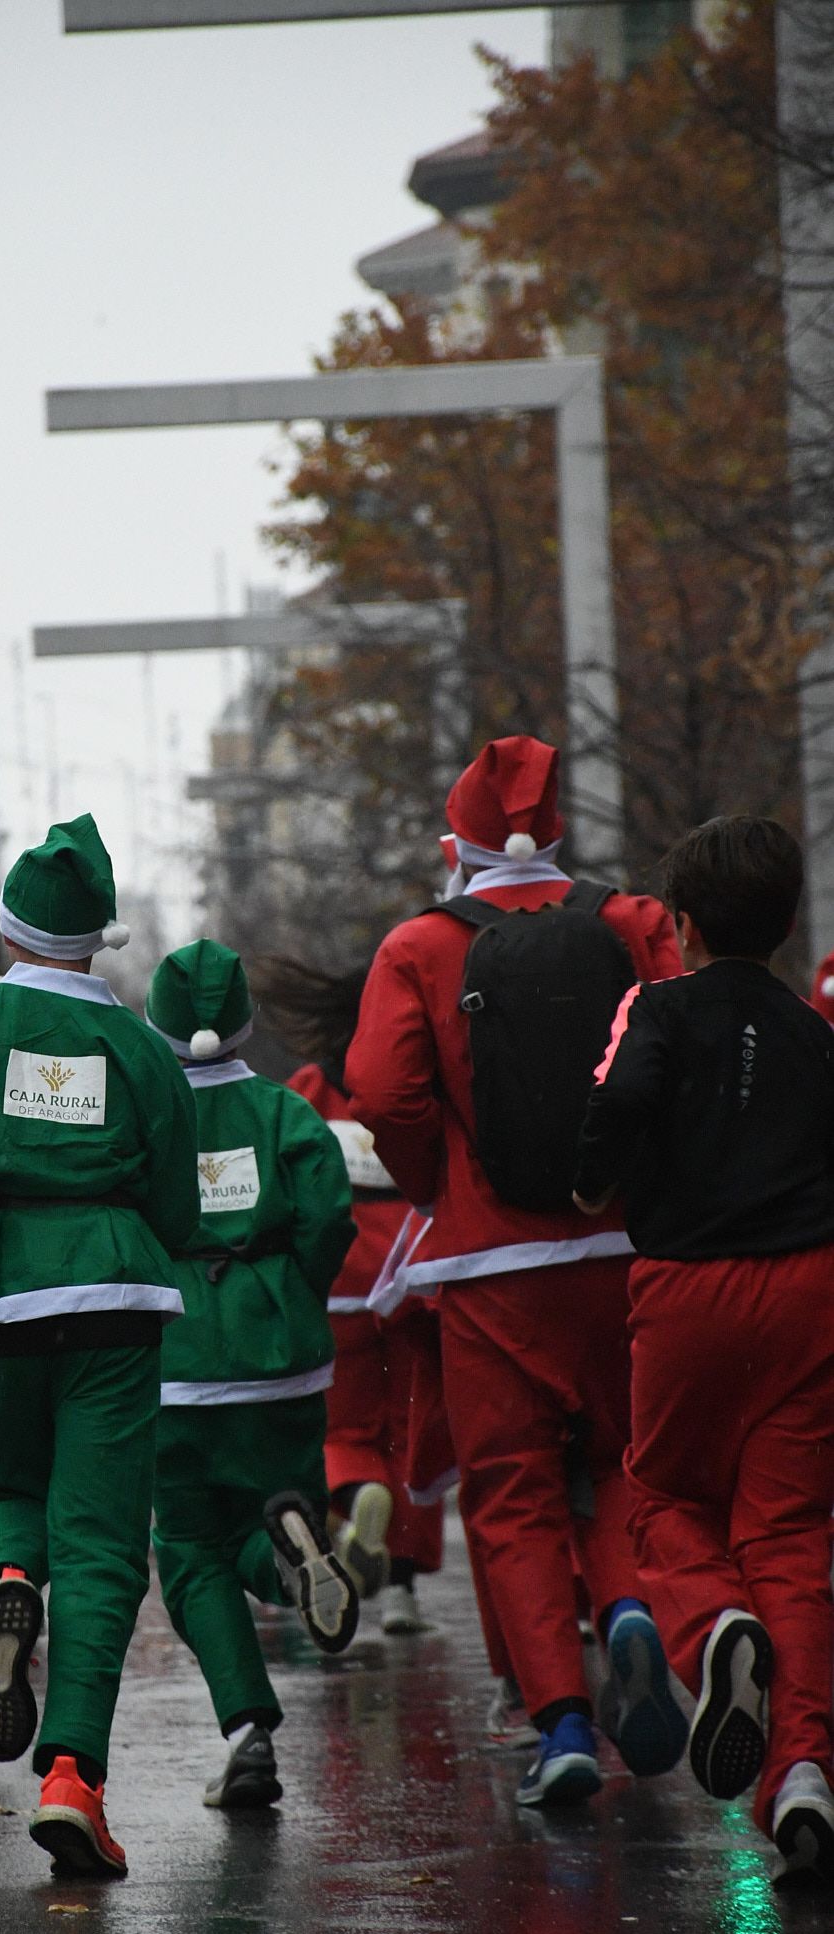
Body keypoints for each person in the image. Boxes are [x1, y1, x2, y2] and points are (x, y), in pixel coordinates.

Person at [346, 734, 687, 1808]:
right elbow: (679, 1054)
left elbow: (384, 1092)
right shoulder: (631, 921)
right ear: (560, 830)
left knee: (513, 1493)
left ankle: (561, 1723)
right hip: (623, 1248)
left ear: (458, 846)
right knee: (624, 1461)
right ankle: (626, 1609)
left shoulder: (418, 945)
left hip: (490, 1266)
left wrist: (438, 1186)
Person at [0, 815, 199, 1878]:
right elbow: (177, 1189)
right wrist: (145, 1234)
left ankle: (6, 1576)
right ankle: (71, 1779)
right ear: (100, 937)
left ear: (10, 930)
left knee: (6, 1483)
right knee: (101, 1539)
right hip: (110, 1291)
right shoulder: (139, 1047)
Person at [574, 815, 834, 1885]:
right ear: (785, 923)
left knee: (665, 1495)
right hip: (809, 1287)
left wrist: (592, 1179)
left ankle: (713, 1628)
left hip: (686, 1286)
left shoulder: (660, 1008)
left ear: (681, 924)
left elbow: (621, 1100)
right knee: (790, 1534)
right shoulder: (814, 1030)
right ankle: (805, 1771)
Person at [145, 940, 359, 1812]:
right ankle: (295, 1556)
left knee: (190, 1551)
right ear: (244, 1022)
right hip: (281, 1359)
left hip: (175, 1365)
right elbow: (329, 1217)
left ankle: (247, 1734)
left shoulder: (145, 1123)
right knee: (276, 1506)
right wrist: (291, 1293)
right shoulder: (285, 1112)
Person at [256, 954, 446, 1633]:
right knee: (411, 1434)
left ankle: (357, 1493)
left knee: (344, 1429)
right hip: (413, 1281)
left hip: (336, 1288)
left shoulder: (310, 1089)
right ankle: (402, 1590)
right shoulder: (417, 1084)